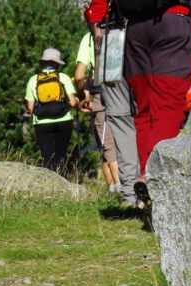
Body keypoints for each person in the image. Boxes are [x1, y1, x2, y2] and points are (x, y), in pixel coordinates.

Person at [92, 0, 191, 209]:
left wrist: (99, 37)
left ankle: (146, 178)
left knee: (144, 110)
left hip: (134, 30)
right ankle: (154, 178)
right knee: (168, 106)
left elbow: (97, 6)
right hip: (173, 24)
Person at [84, 1, 142, 208]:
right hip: (149, 43)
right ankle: (149, 182)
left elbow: (95, 16)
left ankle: (130, 192)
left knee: (119, 119)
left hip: (113, 43)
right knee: (149, 117)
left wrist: (100, 62)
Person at [74, 29, 123, 194]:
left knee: (106, 143)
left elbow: (79, 76)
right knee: (122, 139)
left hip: (101, 95)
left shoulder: (89, 38)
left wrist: (83, 94)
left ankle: (119, 189)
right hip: (125, 90)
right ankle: (118, 187)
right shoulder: (122, 31)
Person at [25, 48, 80, 174]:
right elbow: (72, 102)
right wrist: (77, 100)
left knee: (47, 156)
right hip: (63, 121)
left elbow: (30, 107)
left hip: (42, 123)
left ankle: (50, 184)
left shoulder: (33, 80)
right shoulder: (63, 78)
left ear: (42, 63)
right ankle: (61, 180)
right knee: (61, 154)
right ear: (57, 64)